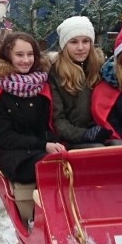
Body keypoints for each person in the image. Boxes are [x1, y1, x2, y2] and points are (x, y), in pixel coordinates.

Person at [0, 32, 65, 183]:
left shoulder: (40, 86)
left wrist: (56, 143)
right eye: (19, 55)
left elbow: (45, 126)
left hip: (39, 148)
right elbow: (3, 137)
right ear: (8, 56)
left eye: (30, 54)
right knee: (48, 166)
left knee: (68, 161)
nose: (26, 60)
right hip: (10, 153)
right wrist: (44, 145)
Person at [48, 16, 110, 149]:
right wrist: (84, 135)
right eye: (74, 42)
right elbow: (57, 120)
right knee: (97, 149)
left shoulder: (100, 68)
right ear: (64, 45)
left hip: (100, 131)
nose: (81, 47)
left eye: (86, 41)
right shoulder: (54, 72)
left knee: (119, 147)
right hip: (69, 138)